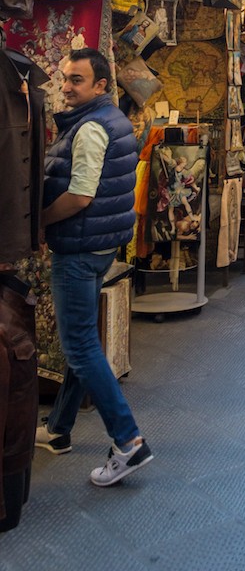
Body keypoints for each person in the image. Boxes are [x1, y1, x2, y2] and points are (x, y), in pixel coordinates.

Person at [36, 49, 153, 486]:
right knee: (80, 339)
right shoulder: (115, 119)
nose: (66, 87)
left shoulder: (89, 129)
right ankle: (59, 429)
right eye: (65, 78)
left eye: (77, 80)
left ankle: (128, 442)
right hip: (100, 245)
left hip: (80, 248)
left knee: (81, 345)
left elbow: (81, 196)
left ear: (101, 85)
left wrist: (40, 221)